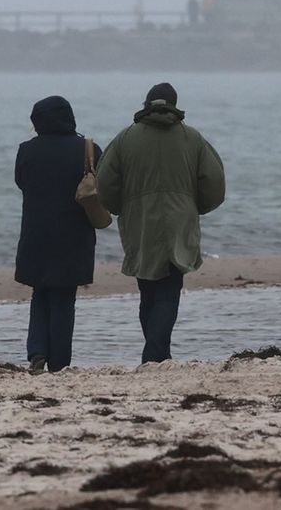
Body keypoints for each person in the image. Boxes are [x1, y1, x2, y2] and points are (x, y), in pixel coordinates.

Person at [97, 82, 225, 364]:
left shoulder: (125, 139)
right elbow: (214, 184)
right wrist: (195, 206)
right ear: (174, 104)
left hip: (139, 222)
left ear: (146, 103)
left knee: (148, 290)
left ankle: (156, 354)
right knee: (169, 289)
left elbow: (104, 184)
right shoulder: (192, 139)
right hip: (179, 222)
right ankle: (156, 356)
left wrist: (121, 207)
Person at [13, 96, 102, 373]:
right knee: (64, 298)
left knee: (40, 293)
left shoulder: (27, 150)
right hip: (74, 235)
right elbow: (103, 186)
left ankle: (37, 351)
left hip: (36, 233)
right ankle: (60, 362)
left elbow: (21, 182)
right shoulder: (88, 149)